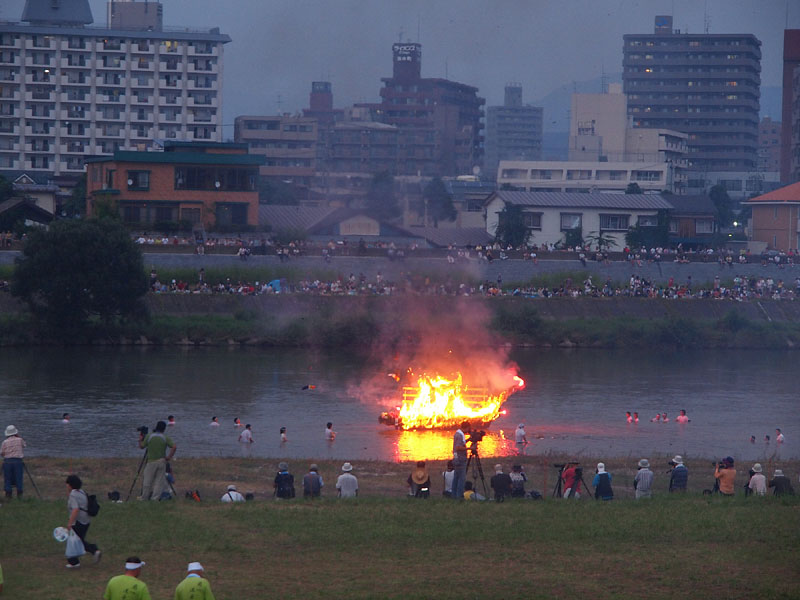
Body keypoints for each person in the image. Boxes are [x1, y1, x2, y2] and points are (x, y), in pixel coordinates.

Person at [64, 474, 101, 568]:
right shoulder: (81, 492)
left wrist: (70, 523)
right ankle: (75, 560)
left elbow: (75, 509)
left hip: (78, 521)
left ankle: (92, 551)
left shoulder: (73, 494)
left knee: (75, 540)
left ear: (70, 485)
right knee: (78, 539)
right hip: (86, 520)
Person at [138, 421, 176, 501]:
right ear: (164, 429)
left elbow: (141, 446)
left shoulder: (149, 436)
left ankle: (144, 497)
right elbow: (174, 446)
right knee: (159, 482)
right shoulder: (165, 437)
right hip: (162, 461)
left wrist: (140, 439)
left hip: (151, 461)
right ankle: (155, 498)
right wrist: (168, 457)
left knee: (147, 481)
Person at [1, 425, 25, 499]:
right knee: (19, 478)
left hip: (7, 462)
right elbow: (24, 445)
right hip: (18, 462)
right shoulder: (20, 439)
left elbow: (2, 453)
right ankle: (19, 495)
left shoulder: (5, 442)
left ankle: (8, 496)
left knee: (7, 478)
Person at [451, 421, 470, 501]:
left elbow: (460, 444)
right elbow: (458, 447)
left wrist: (468, 440)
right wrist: (469, 448)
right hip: (460, 459)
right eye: (469, 428)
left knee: (456, 478)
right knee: (461, 479)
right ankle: (459, 496)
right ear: (466, 427)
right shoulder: (459, 435)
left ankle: (454, 495)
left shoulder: (458, 434)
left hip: (457, 459)